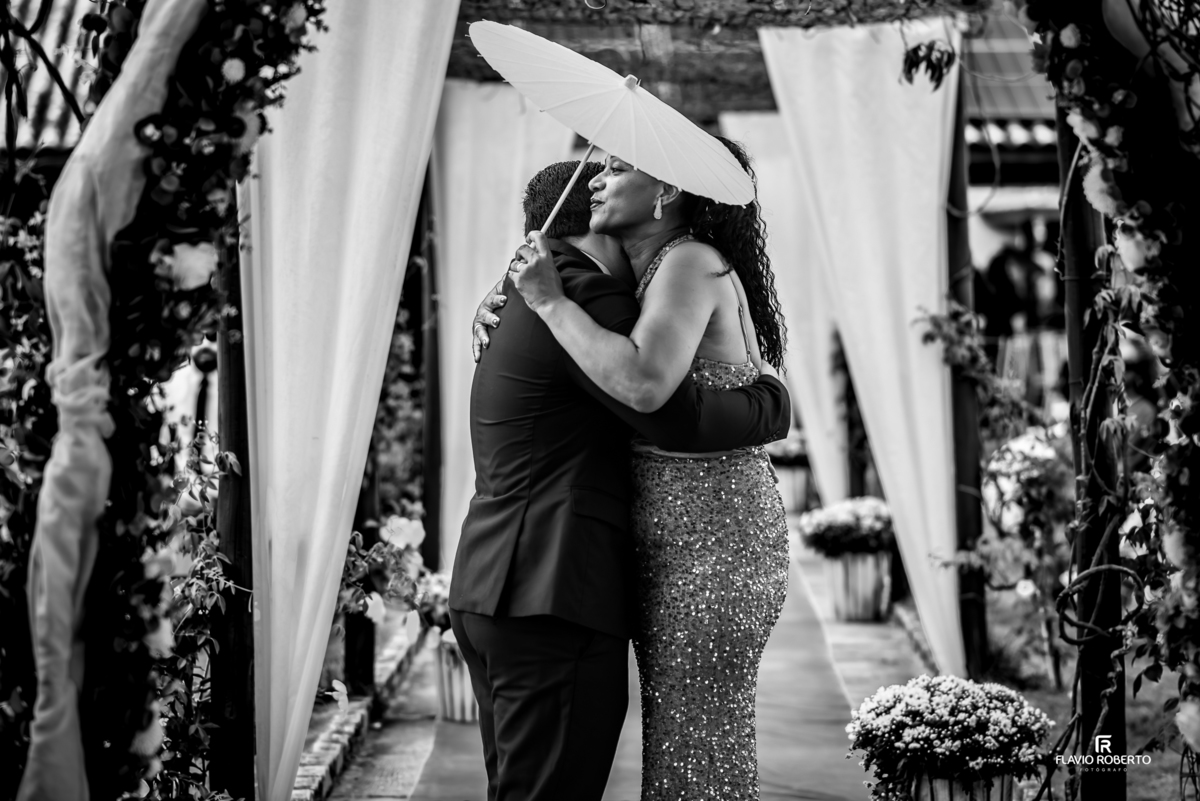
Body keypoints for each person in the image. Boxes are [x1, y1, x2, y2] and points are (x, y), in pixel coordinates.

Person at [450, 159, 791, 801]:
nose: (602, 178)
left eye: (616, 167)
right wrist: (773, 404)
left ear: (665, 189)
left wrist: (539, 293)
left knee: (689, 742)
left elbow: (655, 398)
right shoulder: (586, 297)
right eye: (596, 173)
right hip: (551, 587)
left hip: (540, 576)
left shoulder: (575, 290)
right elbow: (672, 417)